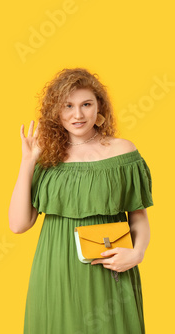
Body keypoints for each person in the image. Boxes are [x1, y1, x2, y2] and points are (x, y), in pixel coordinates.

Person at [8, 68, 153, 334]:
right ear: (56, 111)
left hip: (110, 269)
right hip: (55, 272)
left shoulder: (123, 151)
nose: (78, 115)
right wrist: (28, 161)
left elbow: (139, 216)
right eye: (68, 106)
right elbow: (18, 224)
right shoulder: (47, 159)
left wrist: (136, 253)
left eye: (86, 104)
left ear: (99, 107)